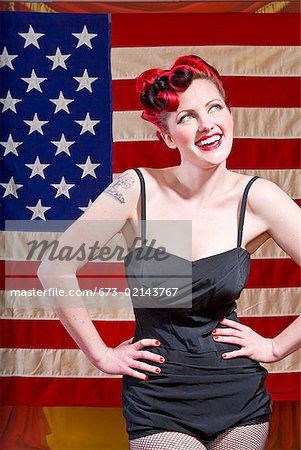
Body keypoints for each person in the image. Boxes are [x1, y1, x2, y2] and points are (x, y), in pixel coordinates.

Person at [38, 55, 301, 450]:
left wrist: (276, 346)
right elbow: (54, 267)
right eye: (187, 117)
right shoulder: (136, 189)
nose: (207, 124)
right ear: (166, 136)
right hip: (157, 399)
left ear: (229, 115)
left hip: (236, 395)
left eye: (215, 108)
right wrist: (101, 355)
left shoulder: (256, 198)